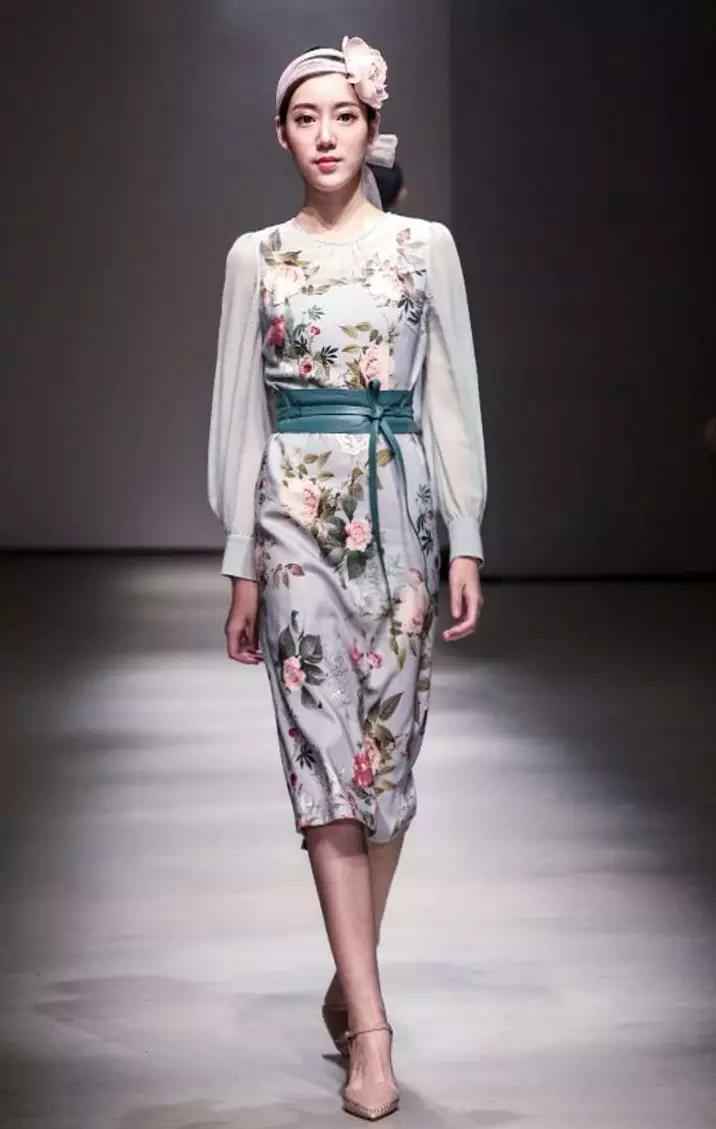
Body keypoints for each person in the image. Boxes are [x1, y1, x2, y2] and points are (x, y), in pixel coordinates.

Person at [207, 35, 487, 1121]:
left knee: (387, 761)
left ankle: (346, 973)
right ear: (280, 135)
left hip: (401, 515)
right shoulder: (256, 257)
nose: (325, 134)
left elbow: (449, 395)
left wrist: (466, 534)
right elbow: (240, 415)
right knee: (323, 767)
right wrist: (241, 560)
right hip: (293, 524)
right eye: (305, 117)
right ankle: (371, 1027)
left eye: (344, 115)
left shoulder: (424, 247)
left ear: (373, 128)